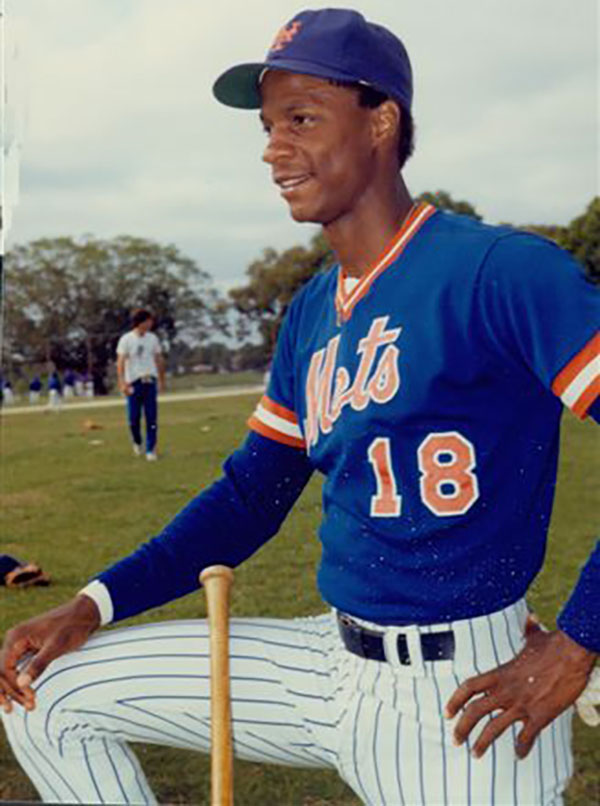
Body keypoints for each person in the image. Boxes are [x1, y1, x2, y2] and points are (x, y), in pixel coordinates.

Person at [0, 9, 598, 805]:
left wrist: (578, 644)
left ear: (382, 120)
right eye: (268, 126)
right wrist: (91, 602)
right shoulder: (314, 312)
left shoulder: (500, 272)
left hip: (463, 695)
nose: (274, 149)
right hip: (325, 660)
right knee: (47, 694)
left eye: (302, 120)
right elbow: (252, 493)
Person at [116, 308, 166, 461]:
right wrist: (122, 382)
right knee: (133, 418)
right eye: (148, 320)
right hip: (134, 383)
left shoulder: (153, 339)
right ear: (140, 322)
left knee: (151, 417)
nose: (151, 323)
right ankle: (137, 441)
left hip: (149, 381)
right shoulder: (126, 339)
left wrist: (162, 380)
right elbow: (121, 362)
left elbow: (158, 359)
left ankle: (151, 449)